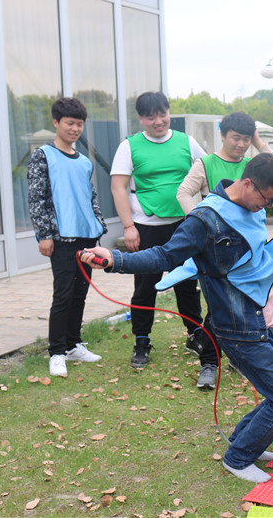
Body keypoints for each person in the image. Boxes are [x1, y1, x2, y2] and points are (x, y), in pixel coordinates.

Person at [82, 154, 273, 484]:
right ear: (248, 184)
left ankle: (246, 439)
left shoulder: (250, 209)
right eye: (268, 200)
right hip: (240, 329)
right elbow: (164, 255)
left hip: (271, 324)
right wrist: (115, 260)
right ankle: (238, 457)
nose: (267, 208)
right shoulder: (204, 221)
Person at [176, 111, 273, 388]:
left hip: (248, 250)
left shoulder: (252, 166)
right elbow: (183, 192)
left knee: (246, 304)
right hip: (216, 251)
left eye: (246, 139)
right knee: (216, 307)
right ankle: (209, 362)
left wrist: (257, 139)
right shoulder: (205, 163)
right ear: (222, 134)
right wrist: (200, 223)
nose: (241, 144)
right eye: (236, 138)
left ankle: (237, 357)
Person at [111, 91, 205, 369]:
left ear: (168, 112)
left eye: (162, 114)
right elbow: (118, 187)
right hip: (145, 227)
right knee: (144, 288)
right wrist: (129, 226)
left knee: (187, 284)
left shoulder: (186, 142)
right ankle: (142, 340)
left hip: (183, 225)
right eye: (150, 116)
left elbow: (208, 172)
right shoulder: (129, 146)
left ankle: (195, 334)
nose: (158, 121)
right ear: (141, 119)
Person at [28, 97, 106, 377]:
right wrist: (44, 234)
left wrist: (98, 226)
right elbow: (36, 198)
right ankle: (56, 352)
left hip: (87, 237)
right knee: (63, 294)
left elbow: (90, 196)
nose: (75, 129)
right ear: (56, 122)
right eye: (70, 123)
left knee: (80, 293)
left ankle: (73, 345)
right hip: (60, 238)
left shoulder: (85, 161)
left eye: (79, 124)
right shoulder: (42, 156)